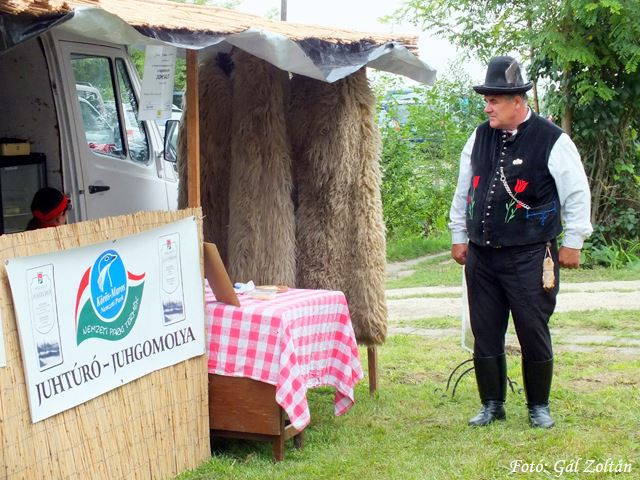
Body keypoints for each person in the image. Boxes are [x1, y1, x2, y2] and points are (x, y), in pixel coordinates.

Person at [449, 56, 593, 428]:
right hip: (482, 255)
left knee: (532, 329)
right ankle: (491, 404)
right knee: (485, 330)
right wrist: (458, 234)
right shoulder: (479, 136)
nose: (487, 107)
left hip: (531, 255)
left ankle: (538, 407)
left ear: (517, 101)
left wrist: (573, 240)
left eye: (494, 100)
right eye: (486, 100)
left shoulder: (552, 139)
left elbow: (576, 192)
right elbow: (464, 189)